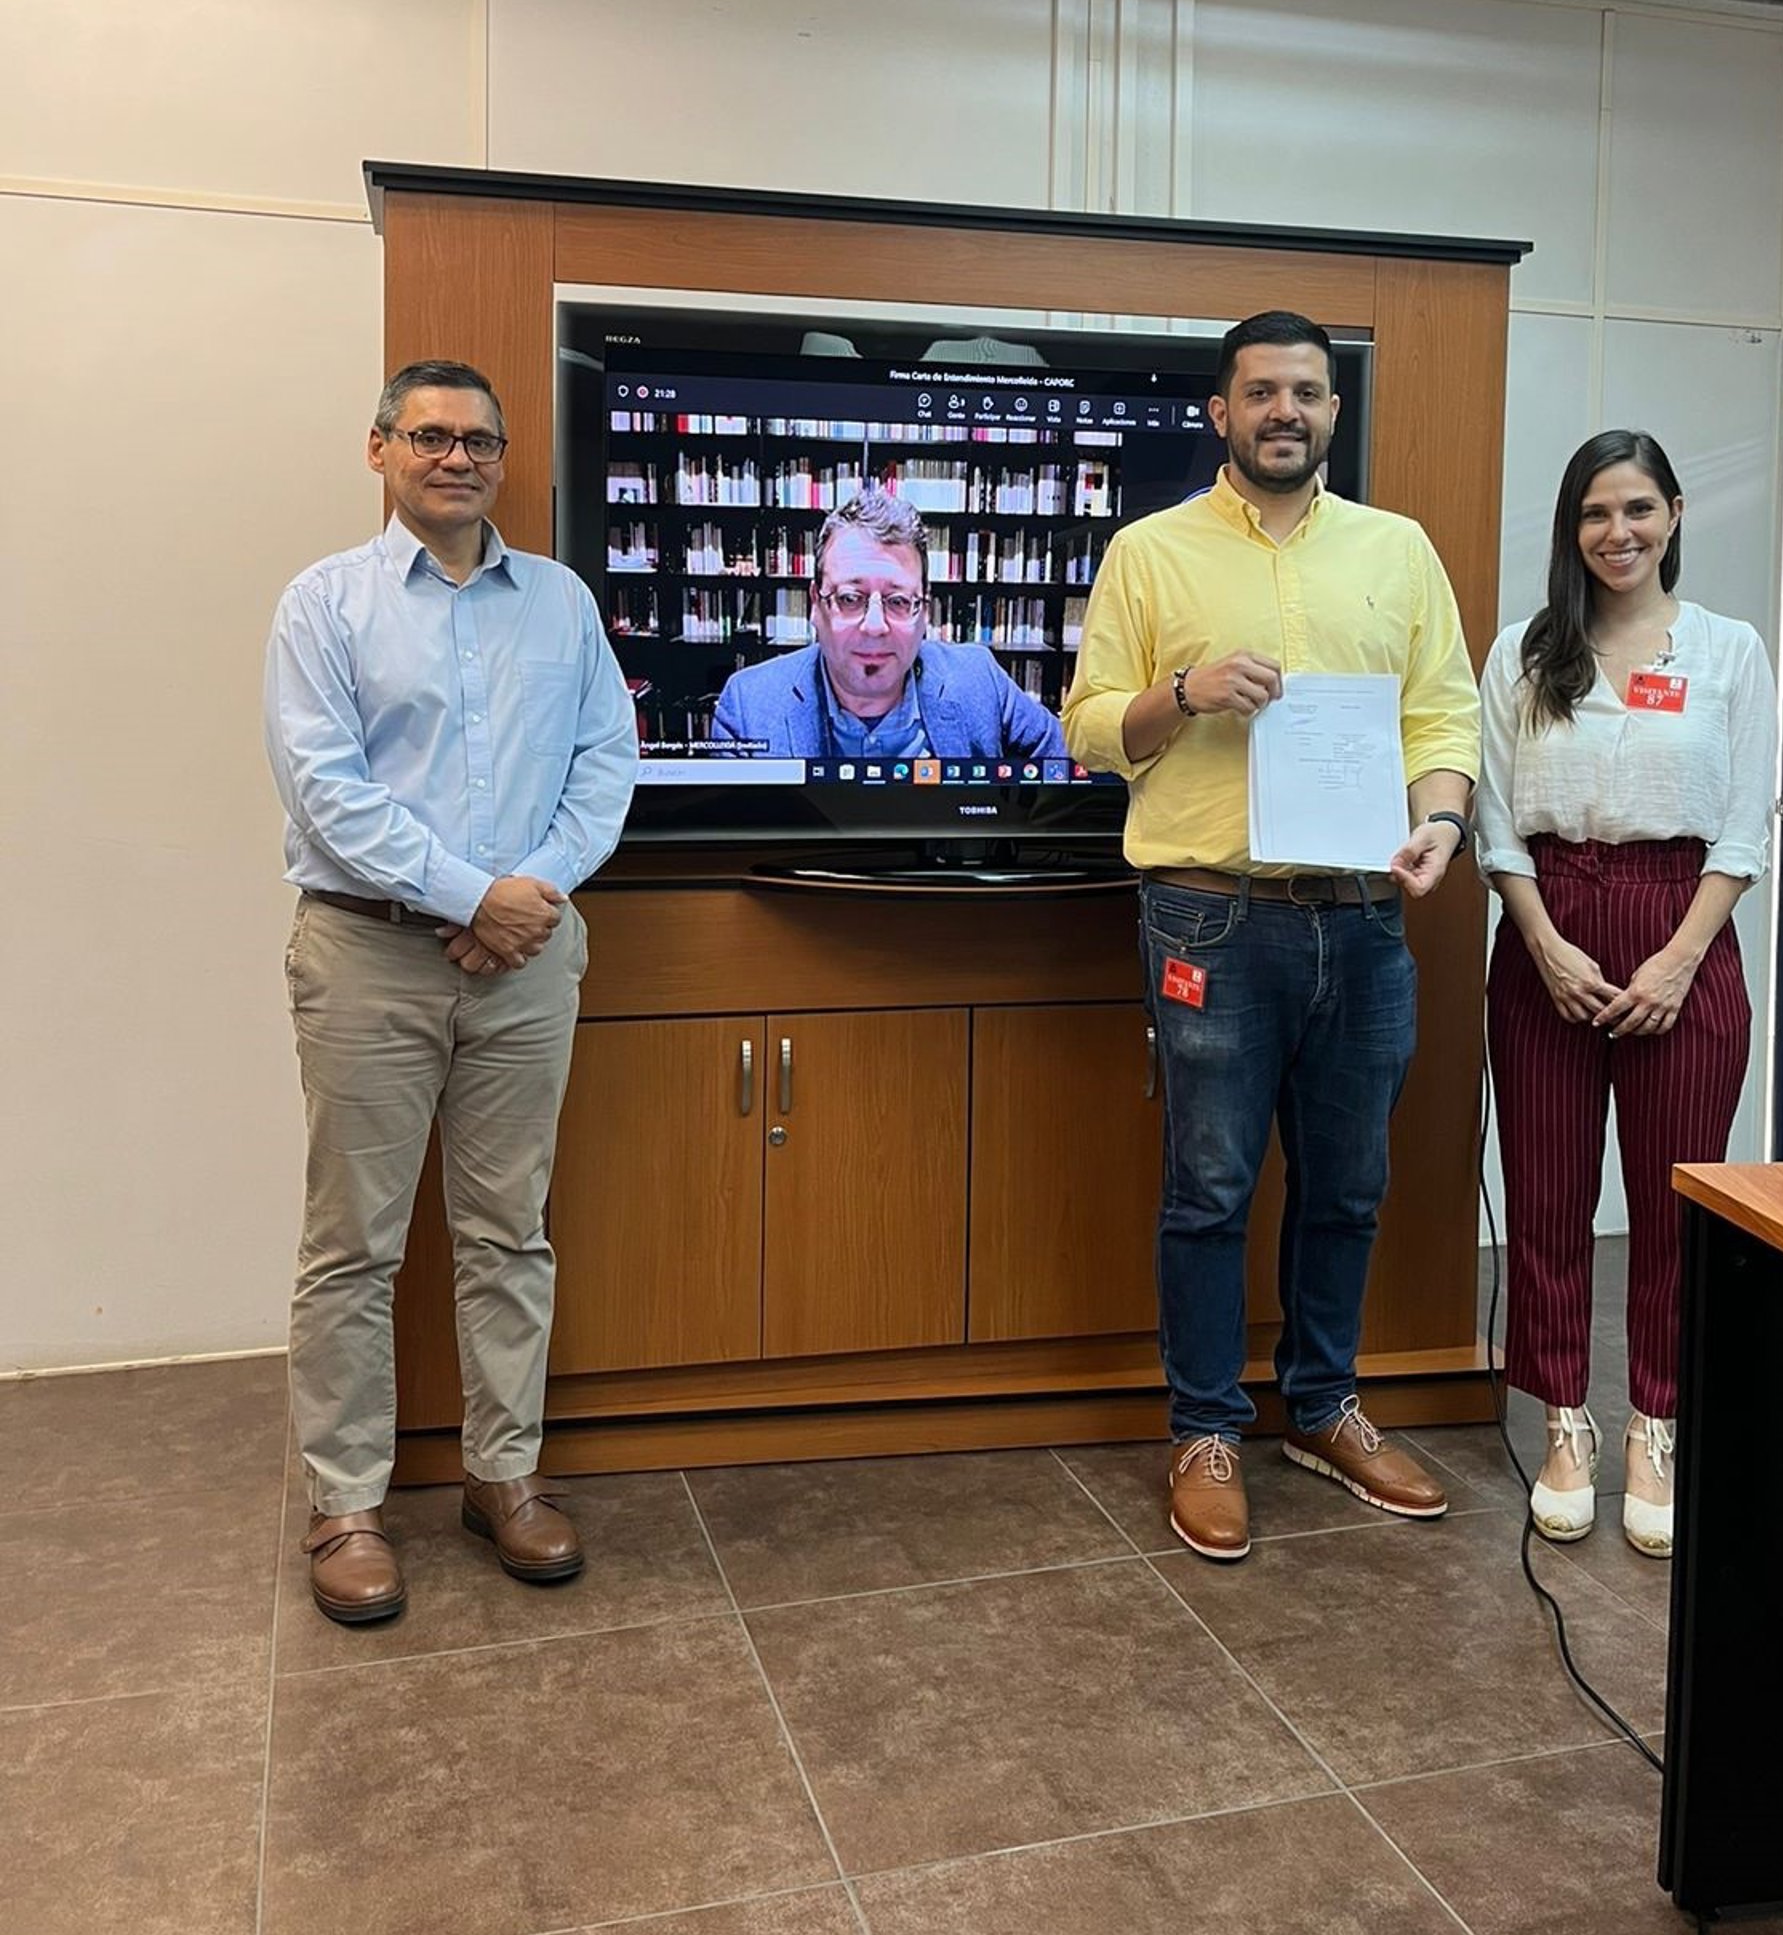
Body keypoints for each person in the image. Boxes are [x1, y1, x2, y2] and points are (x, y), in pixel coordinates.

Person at [1063, 310, 1479, 1561]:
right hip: (1210, 916)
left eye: (1305, 390)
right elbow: (1088, 727)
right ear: (1221, 412)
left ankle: (1322, 1405)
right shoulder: (1150, 552)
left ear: (1333, 410)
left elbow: (1441, 718)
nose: (1283, 410)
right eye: (1260, 392)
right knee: (1210, 1188)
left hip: (1364, 916)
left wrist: (1441, 823)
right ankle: (1204, 1428)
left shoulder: (1398, 550)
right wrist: (1184, 692)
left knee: (1349, 1184)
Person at [266, 361, 636, 1624]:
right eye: (428, 435)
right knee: (352, 1244)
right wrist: (471, 895)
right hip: (369, 956)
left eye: (478, 440)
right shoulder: (325, 604)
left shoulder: (562, 603)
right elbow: (326, 791)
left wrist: (525, 894)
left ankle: (504, 1475)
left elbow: (606, 762)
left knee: (508, 1230)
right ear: (379, 449)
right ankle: (346, 1504)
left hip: (527, 957)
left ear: (502, 460)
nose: (456, 457)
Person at [1478, 430, 1774, 1557]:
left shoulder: (1729, 650)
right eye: (1597, 513)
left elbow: (1745, 823)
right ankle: (1565, 1421)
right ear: (1573, 528)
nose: (1619, 532)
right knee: (1549, 1198)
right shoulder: (1526, 651)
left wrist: (1681, 957)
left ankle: (1658, 1421)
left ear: (1675, 515)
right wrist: (1544, 942)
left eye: (1639, 508)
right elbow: (1495, 818)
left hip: (1681, 930)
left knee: (1673, 1203)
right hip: (1547, 927)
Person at [711, 486, 1068, 763]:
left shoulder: (979, 680)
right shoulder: (747, 706)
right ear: (815, 604)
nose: (874, 626)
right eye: (850, 598)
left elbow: (1074, 772)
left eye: (898, 601)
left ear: (925, 611)